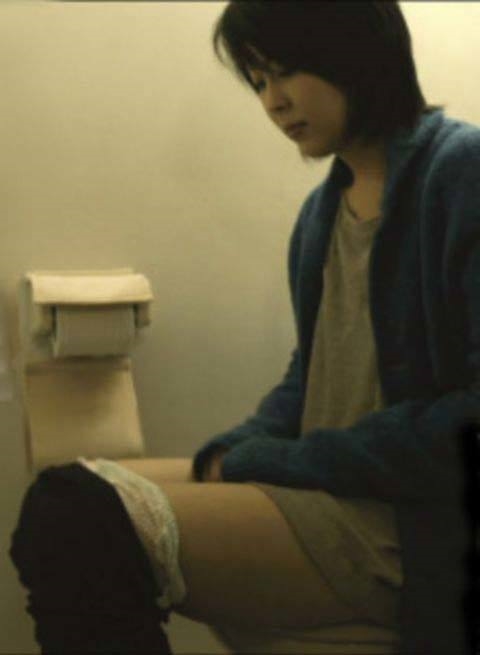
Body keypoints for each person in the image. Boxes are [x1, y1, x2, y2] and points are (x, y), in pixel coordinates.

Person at [10, 2, 478, 654]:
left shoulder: (460, 173)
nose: (272, 103)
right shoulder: (321, 214)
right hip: (325, 490)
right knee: (68, 487)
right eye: (258, 81)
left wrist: (275, 462)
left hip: (402, 523)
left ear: (357, 51)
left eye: (284, 71)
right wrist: (229, 451)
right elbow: (308, 377)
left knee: (77, 519)